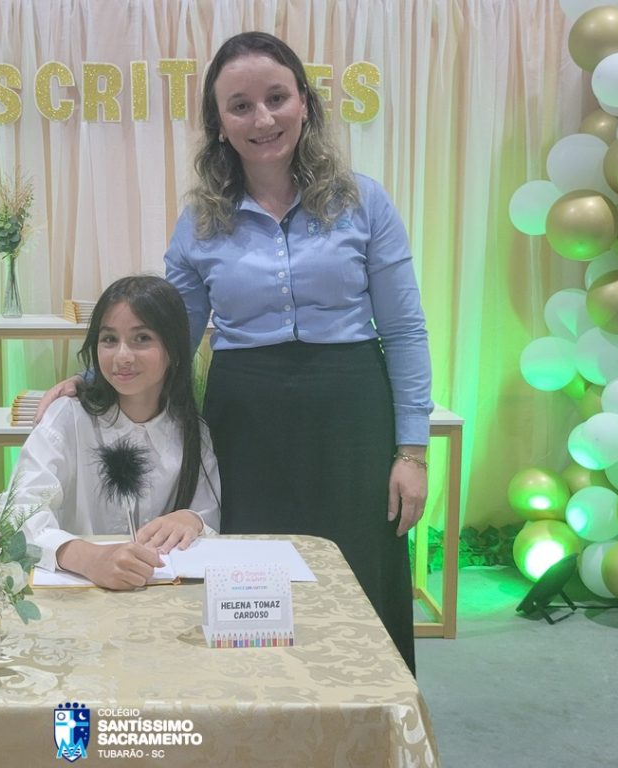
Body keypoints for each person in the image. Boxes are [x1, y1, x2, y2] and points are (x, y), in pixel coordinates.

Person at [38, 32, 430, 673]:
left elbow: (406, 330)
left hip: (353, 413)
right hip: (245, 417)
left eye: (276, 98)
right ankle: (258, 706)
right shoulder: (200, 221)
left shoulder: (364, 202)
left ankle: (368, 711)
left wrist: (411, 452)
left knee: (361, 569)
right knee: (250, 575)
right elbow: (172, 332)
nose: (262, 119)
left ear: (304, 102)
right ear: (219, 123)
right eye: (240, 106)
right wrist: (95, 378)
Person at [1, 275, 221, 590]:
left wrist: (193, 520)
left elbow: (209, 514)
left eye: (142, 338)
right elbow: (18, 511)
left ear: (173, 349)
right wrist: (87, 558)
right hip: (79, 593)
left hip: (161, 599)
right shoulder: (68, 418)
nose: (122, 356)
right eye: (109, 339)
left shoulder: (192, 430)